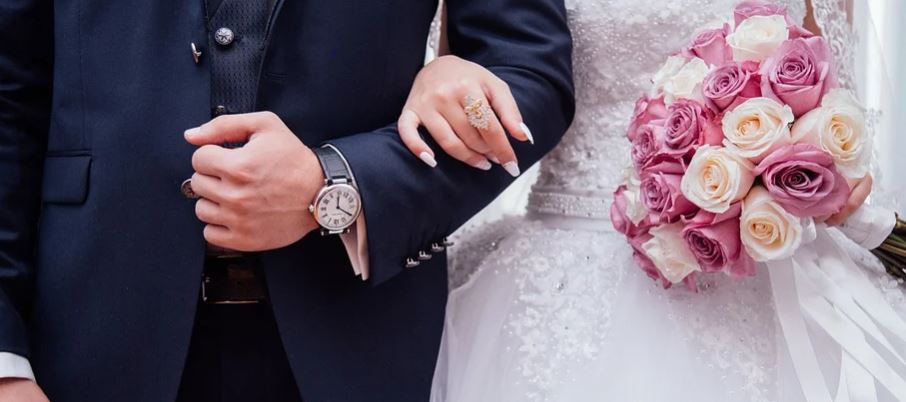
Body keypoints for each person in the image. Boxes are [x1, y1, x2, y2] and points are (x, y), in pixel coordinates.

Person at [0, 0, 574, 401]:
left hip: (355, 337)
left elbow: (528, 73)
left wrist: (336, 184)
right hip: (85, 340)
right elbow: (9, 95)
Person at [399, 1, 906, 401]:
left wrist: (828, 166)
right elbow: (473, 75)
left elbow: (827, 72)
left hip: (763, 248)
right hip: (563, 271)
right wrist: (435, 75)